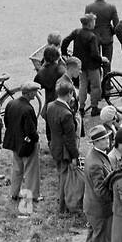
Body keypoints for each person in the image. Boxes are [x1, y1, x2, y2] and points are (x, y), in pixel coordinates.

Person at [81, 124, 116, 242]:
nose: (106, 141)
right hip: (99, 208)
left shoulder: (95, 155)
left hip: (91, 205)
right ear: (94, 142)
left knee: (92, 237)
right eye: (102, 139)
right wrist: (116, 197)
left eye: (106, 137)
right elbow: (101, 191)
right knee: (99, 240)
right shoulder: (96, 162)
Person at [3, 81, 42, 213]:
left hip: (15, 141)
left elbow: (6, 121)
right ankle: (33, 196)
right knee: (31, 170)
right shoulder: (28, 109)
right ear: (29, 93)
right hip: (27, 143)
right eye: (35, 92)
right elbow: (31, 130)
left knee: (17, 168)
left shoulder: (11, 103)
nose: (36, 94)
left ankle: (14, 193)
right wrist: (36, 139)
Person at [44, 78, 82, 214]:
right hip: (65, 150)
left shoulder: (50, 106)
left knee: (61, 175)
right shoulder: (66, 114)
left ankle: (63, 203)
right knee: (66, 179)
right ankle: (63, 208)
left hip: (55, 145)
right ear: (70, 94)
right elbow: (70, 139)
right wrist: (75, 156)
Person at [61, 14, 108, 119]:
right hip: (92, 66)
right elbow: (94, 54)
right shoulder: (92, 36)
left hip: (80, 65)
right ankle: (94, 107)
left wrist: (65, 53)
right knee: (95, 86)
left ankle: (81, 108)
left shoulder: (76, 32)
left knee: (83, 86)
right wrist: (102, 59)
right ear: (90, 23)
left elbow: (65, 41)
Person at [85, 0, 120, 69]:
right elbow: (117, 26)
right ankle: (107, 81)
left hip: (93, 38)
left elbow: (87, 25)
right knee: (107, 64)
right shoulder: (111, 7)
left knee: (94, 63)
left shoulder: (89, 7)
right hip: (107, 38)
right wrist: (111, 31)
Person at [34, 45, 64, 109]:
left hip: (49, 105)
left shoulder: (41, 72)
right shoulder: (61, 70)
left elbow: (37, 83)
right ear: (57, 57)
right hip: (61, 104)